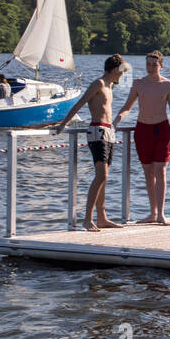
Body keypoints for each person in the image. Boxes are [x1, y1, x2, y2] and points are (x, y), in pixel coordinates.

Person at [54, 54, 129, 231]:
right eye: (121, 71)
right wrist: (63, 124)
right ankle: (87, 218)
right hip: (97, 131)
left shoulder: (110, 86)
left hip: (108, 131)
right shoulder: (99, 84)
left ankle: (101, 217)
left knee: (105, 177)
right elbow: (80, 103)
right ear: (114, 70)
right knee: (101, 175)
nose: (123, 75)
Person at [115, 51, 170, 225]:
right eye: (148, 64)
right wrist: (115, 120)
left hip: (161, 129)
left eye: (154, 65)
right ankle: (153, 212)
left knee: (161, 170)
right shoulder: (138, 84)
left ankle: (161, 214)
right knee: (148, 172)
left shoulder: (167, 85)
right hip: (143, 129)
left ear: (161, 65)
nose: (151, 68)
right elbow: (128, 106)